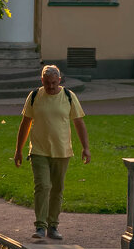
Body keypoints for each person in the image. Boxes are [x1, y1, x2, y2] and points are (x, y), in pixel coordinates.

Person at [14, 65, 90, 240]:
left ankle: (53, 226)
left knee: (57, 189)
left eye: (54, 83)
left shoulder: (69, 97)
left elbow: (79, 123)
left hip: (62, 151)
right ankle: (41, 226)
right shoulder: (34, 97)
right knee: (43, 186)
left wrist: (85, 147)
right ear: (42, 81)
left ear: (59, 80)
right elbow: (25, 124)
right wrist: (18, 150)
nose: (51, 87)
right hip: (39, 150)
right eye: (47, 83)